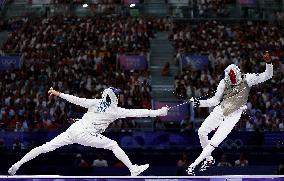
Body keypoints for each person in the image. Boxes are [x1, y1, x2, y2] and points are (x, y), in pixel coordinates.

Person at [8, 87, 169, 176]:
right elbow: (138, 112)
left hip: (74, 130)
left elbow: (77, 100)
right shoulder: (115, 110)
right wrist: (159, 113)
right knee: (113, 144)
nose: (119, 98)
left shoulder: (95, 102)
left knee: (45, 147)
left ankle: (17, 164)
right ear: (114, 97)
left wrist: (58, 93)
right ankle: (133, 169)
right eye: (117, 96)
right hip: (84, 133)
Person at [187, 51, 273, 175]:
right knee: (201, 132)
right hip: (221, 109)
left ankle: (193, 165)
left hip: (234, 115)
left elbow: (268, 75)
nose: (232, 82)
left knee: (214, 142)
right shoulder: (224, 82)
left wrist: (269, 63)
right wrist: (199, 103)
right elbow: (215, 100)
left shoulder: (247, 78)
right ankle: (209, 159)